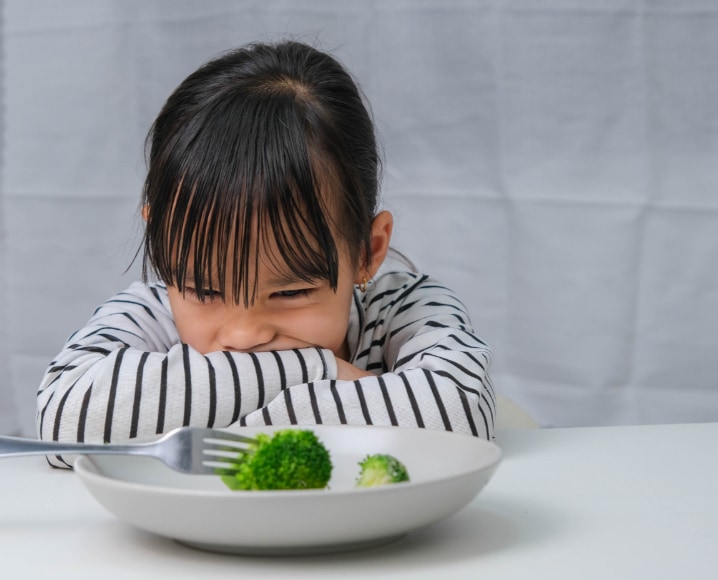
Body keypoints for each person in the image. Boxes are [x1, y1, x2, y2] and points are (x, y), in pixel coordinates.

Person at [36, 40, 496, 468]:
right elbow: (63, 422)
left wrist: (201, 430)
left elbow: (464, 419)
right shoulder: (153, 312)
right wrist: (320, 369)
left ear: (367, 252)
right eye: (203, 289)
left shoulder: (401, 308)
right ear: (163, 240)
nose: (242, 335)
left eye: (291, 291)